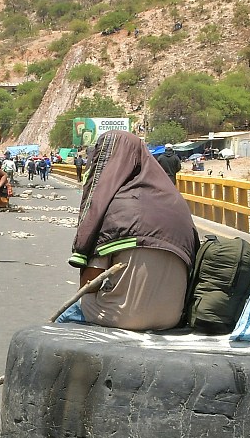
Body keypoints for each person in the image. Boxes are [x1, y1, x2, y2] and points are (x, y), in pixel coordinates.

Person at [70, 131, 197, 331]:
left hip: (119, 317)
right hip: (172, 318)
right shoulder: (177, 203)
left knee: (69, 314)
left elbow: (89, 284)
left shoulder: (113, 205)